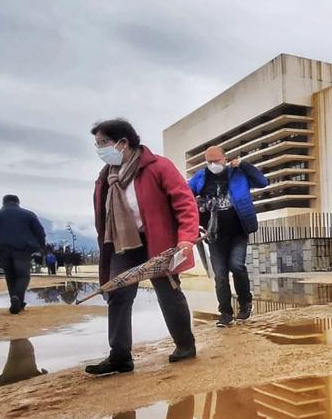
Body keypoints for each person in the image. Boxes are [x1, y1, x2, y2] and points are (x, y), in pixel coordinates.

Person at [86, 118, 199, 377]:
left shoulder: (157, 167)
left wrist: (185, 238)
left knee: (168, 292)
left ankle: (185, 344)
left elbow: (185, 202)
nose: (100, 150)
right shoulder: (105, 179)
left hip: (157, 240)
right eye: (97, 145)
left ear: (123, 143)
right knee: (118, 294)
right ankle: (120, 356)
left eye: (104, 143)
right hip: (124, 244)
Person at [187, 145, 268, 327]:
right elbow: (184, 195)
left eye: (216, 160)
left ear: (225, 159)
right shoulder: (201, 176)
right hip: (214, 234)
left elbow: (263, 182)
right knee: (220, 275)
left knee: (237, 266)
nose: (213, 164)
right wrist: (198, 203)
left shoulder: (238, 173)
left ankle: (245, 303)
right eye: (209, 161)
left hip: (238, 231)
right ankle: (225, 313)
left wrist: (244, 164)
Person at [0, 195, 46, 314]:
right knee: (23, 275)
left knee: (10, 275)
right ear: (18, 202)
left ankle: (16, 301)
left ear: (3, 203)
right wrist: (41, 247)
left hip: (3, 250)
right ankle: (18, 298)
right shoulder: (28, 215)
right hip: (23, 249)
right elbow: (40, 232)